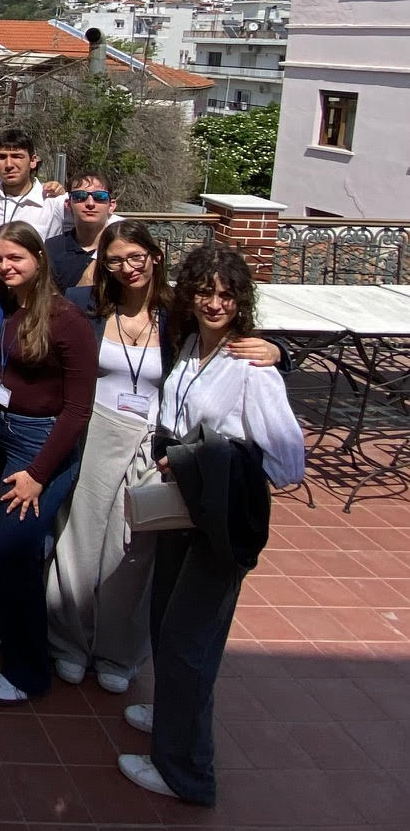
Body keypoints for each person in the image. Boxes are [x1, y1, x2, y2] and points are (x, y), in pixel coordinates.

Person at [49, 223, 281, 694]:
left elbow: (230, 333)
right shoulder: (84, 305)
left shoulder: (179, 313)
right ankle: (68, 643)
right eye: (115, 260)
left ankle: (118, 652)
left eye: (135, 256)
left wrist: (280, 350)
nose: (127, 268)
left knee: (135, 547)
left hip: (155, 443)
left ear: (155, 256)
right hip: (96, 431)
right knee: (78, 539)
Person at [119, 245, 304, 806]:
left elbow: (288, 463)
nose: (215, 303)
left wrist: (206, 457)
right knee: (164, 619)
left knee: (190, 641)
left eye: (227, 294)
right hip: (183, 506)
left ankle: (187, 773)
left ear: (242, 300)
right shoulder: (191, 343)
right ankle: (170, 715)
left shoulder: (252, 366)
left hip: (217, 517)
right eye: (205, 291)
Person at [0, 222, 97, 705]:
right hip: (1, 432)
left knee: (18, 552)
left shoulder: (67, 320)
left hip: (38, 444)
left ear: (39, 259)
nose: (5, 266)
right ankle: (6, 627)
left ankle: (28, 672)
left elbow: (78, 410)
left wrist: (40, 474)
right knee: (10, 547)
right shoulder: (4, 306)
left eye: (15, 258)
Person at [0, 128, 66, 239]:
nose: (9, 165)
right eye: (1, 157)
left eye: (17, 156)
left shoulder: (53, 202)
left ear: (33, 161)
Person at [45, 171, 117, 290]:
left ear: (111, 206)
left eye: (100, 196)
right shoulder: (52, 248)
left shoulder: (121, 249)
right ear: (68, 205)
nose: (90, 203)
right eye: (80, 196)